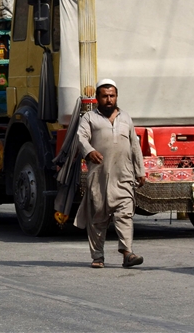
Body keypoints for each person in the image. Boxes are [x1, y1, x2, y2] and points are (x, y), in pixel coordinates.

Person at [75, 78, 146, 269]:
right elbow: (80, 137)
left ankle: (127, 253)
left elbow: (134, 146)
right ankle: (98, 256)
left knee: (125, 214)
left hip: (123, 176)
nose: (109, 99)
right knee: (98, 217)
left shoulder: (126, 118)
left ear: (116, 97)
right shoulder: (89, 118)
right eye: (105, 96)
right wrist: (89, 151)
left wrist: (140, 171)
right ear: (98, 97)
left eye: (112, 96)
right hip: (99, 177)